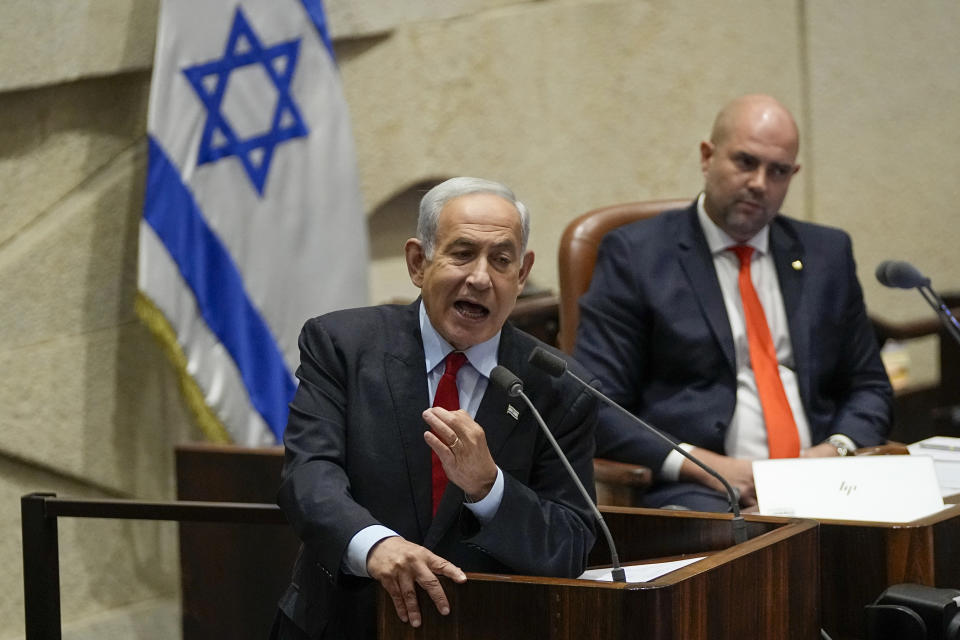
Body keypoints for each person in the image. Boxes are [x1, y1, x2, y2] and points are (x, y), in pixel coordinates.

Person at [271, 177, 599, 639]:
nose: (481, 278)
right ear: (418, 262)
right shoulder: (343, 346)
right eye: (462, 254)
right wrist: (375, 545)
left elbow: (569, 547)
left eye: (501, 261)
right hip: (346, 621)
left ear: (522, 275)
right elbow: (308, 476)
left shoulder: (557, 387)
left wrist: (489, 488)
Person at [573, 94, 892, 512]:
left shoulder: (826, 253)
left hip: (826, 479)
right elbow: (596, 402)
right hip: (704, 491)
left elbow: (870, 387)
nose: (760, 183)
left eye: (778, 171)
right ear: (707, 157)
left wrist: (835, 450)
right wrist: (705, 466)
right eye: (746, 162)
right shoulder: (637, 256)